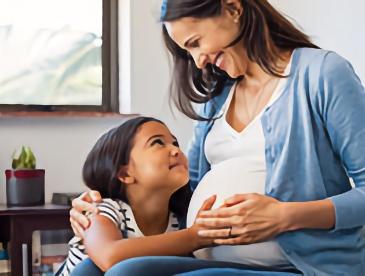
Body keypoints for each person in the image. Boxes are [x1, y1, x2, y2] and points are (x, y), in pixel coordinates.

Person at [69, 0, 365, 275]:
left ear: (233, 8)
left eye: (196, 43)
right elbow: (187, 192)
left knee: (126, 272)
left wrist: (285, 216)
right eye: (189, 52)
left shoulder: (322, 74)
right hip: (205, 256)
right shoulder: (217, 97)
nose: (198, 62)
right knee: (87, 270)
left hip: (295, 265)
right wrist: (100, 209)